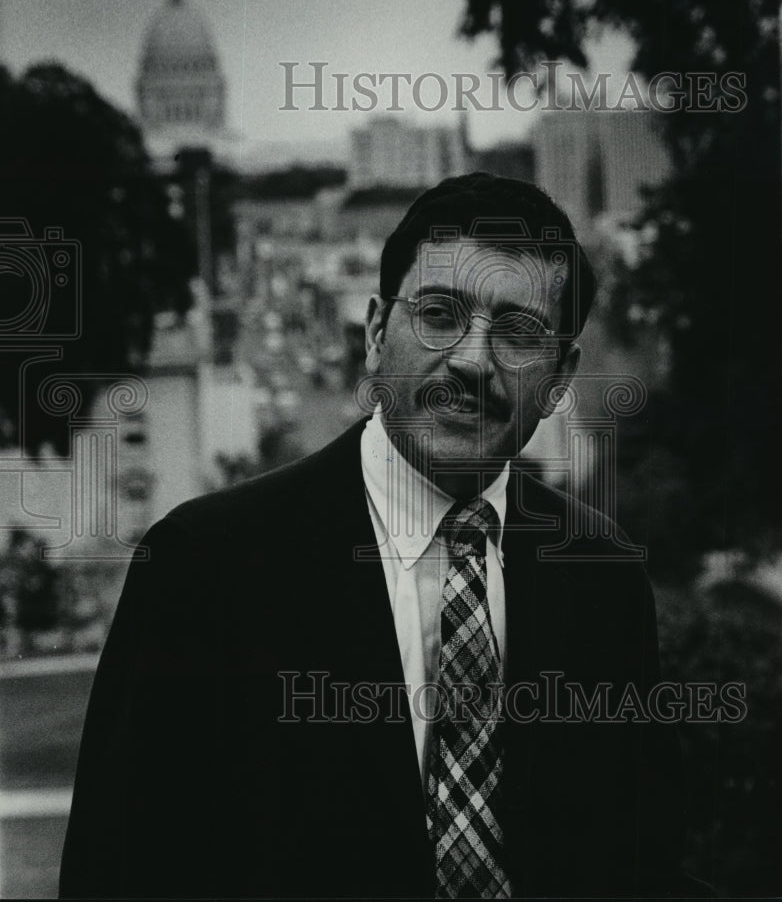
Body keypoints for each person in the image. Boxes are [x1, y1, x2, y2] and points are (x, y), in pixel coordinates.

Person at [60, 174, 707, 899]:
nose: (471, 360)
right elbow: (120, 869)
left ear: (560, 379)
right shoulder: (206, 566)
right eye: (439, 315)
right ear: (374, 333)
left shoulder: (602, 576)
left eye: (519, 334)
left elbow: (637, 863)